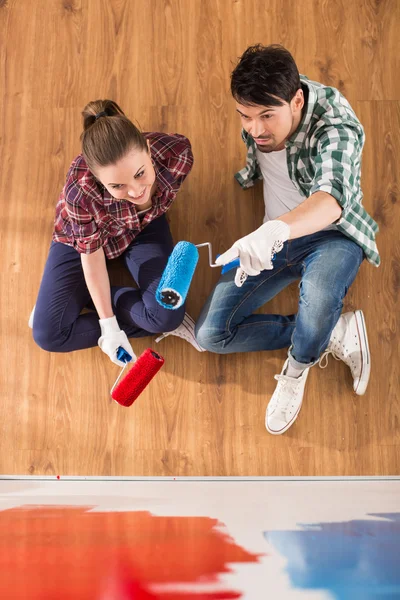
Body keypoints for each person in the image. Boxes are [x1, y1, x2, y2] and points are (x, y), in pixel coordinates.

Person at [195, 44, 379, 435]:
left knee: (320, 299)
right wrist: (265, 217)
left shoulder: (336, 126)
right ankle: (334, 331)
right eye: (245, 116)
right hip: (273, 240)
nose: (256, 128)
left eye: (266, 116)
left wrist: (274, 230)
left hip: (331, 235)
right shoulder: (260, 115)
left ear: (296, 101)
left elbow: (331, 201)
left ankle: (298, 366)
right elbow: (257, 137)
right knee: (211, 334)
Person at [29, 99, 204, 368]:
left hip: (142, 228)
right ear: (99, 180)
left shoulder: (177, 154)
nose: (135, 191)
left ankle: (77, 297)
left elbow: (150, 197)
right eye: (117, 185)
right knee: (48, 335)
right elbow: (91, 253)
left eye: (140, 173)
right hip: (83, 240)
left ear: (147, 149)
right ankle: (75, 300)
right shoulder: (79, 191)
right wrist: (109, 328)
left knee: (167, 317)